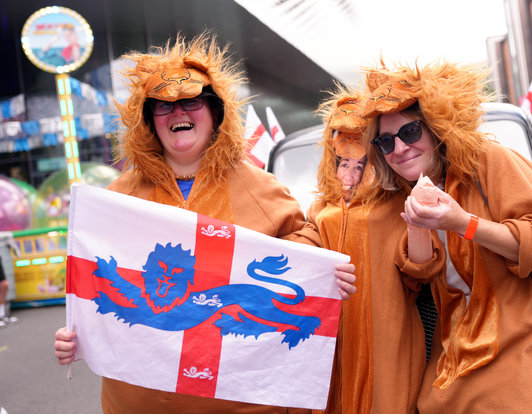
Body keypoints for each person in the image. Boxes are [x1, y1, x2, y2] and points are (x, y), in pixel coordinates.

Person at [54, 32, 356, 414]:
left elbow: (306, 254)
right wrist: (74, 333)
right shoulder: (116, 199)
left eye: (192, 101)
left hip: (242, 402)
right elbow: (93, 281)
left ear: (215, 113)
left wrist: (329, 273)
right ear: (149, 121)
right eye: (163, 106)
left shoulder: (260, 188)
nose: (178, 112)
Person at [360, 61, 532, 413]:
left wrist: (463, 223)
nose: (399, 149)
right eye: (386, 141)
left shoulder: (490, 161)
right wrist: (416, 226)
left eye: (411, 132)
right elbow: (419, 280)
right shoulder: (404, 196)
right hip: (452, 360)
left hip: (520, 351)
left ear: (436, 128)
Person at [307, 91, 443, 413]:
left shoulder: (399, 202)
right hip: (328, 343)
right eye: (342, 137)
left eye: (360, 137)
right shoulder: (319, 209)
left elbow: (422, 272)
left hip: (388, 341)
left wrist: (417, 224)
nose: (349, 143)